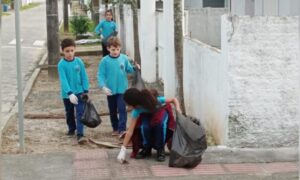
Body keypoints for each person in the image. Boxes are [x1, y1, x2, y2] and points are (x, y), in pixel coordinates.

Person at [117, 88, 182, 163]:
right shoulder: (136, 110)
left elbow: (173, 100)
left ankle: (160, 150)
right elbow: (130, 131)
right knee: (145, 127)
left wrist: (178, 108)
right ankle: (147, 148)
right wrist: (123, 149)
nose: (127, 107)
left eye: (128, 105)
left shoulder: (154, 100)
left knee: (160, 125)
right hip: (147, 115)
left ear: (134, 104)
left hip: (160, 111)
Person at [97, 37, 139, 136]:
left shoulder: (124, 58)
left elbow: (129, 69)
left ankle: (122, 129)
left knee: (122, 109)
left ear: (120, 48)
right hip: (110, 90)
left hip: (122, 90)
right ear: (108, 49)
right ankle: (115, 128)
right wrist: (103, 86)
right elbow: (100, 74)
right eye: (113, 49)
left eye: (117, 49)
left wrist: (135, 68)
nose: (115, 51)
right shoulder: (104, 61)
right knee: (112, 110)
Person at [57, 38, 89, 144]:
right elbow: (63, 80)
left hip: (80, 92)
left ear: (75, 49)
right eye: (67, 51)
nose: (70, 53)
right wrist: (69, 93)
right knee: (69, 112)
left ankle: (80, 134)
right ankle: (71, 129)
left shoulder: (79, 61)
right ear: (62, 51)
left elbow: (84, 76)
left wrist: (85, 89)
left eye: (72, 50)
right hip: (67, 95)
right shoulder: (61, 64)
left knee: (80, 112)